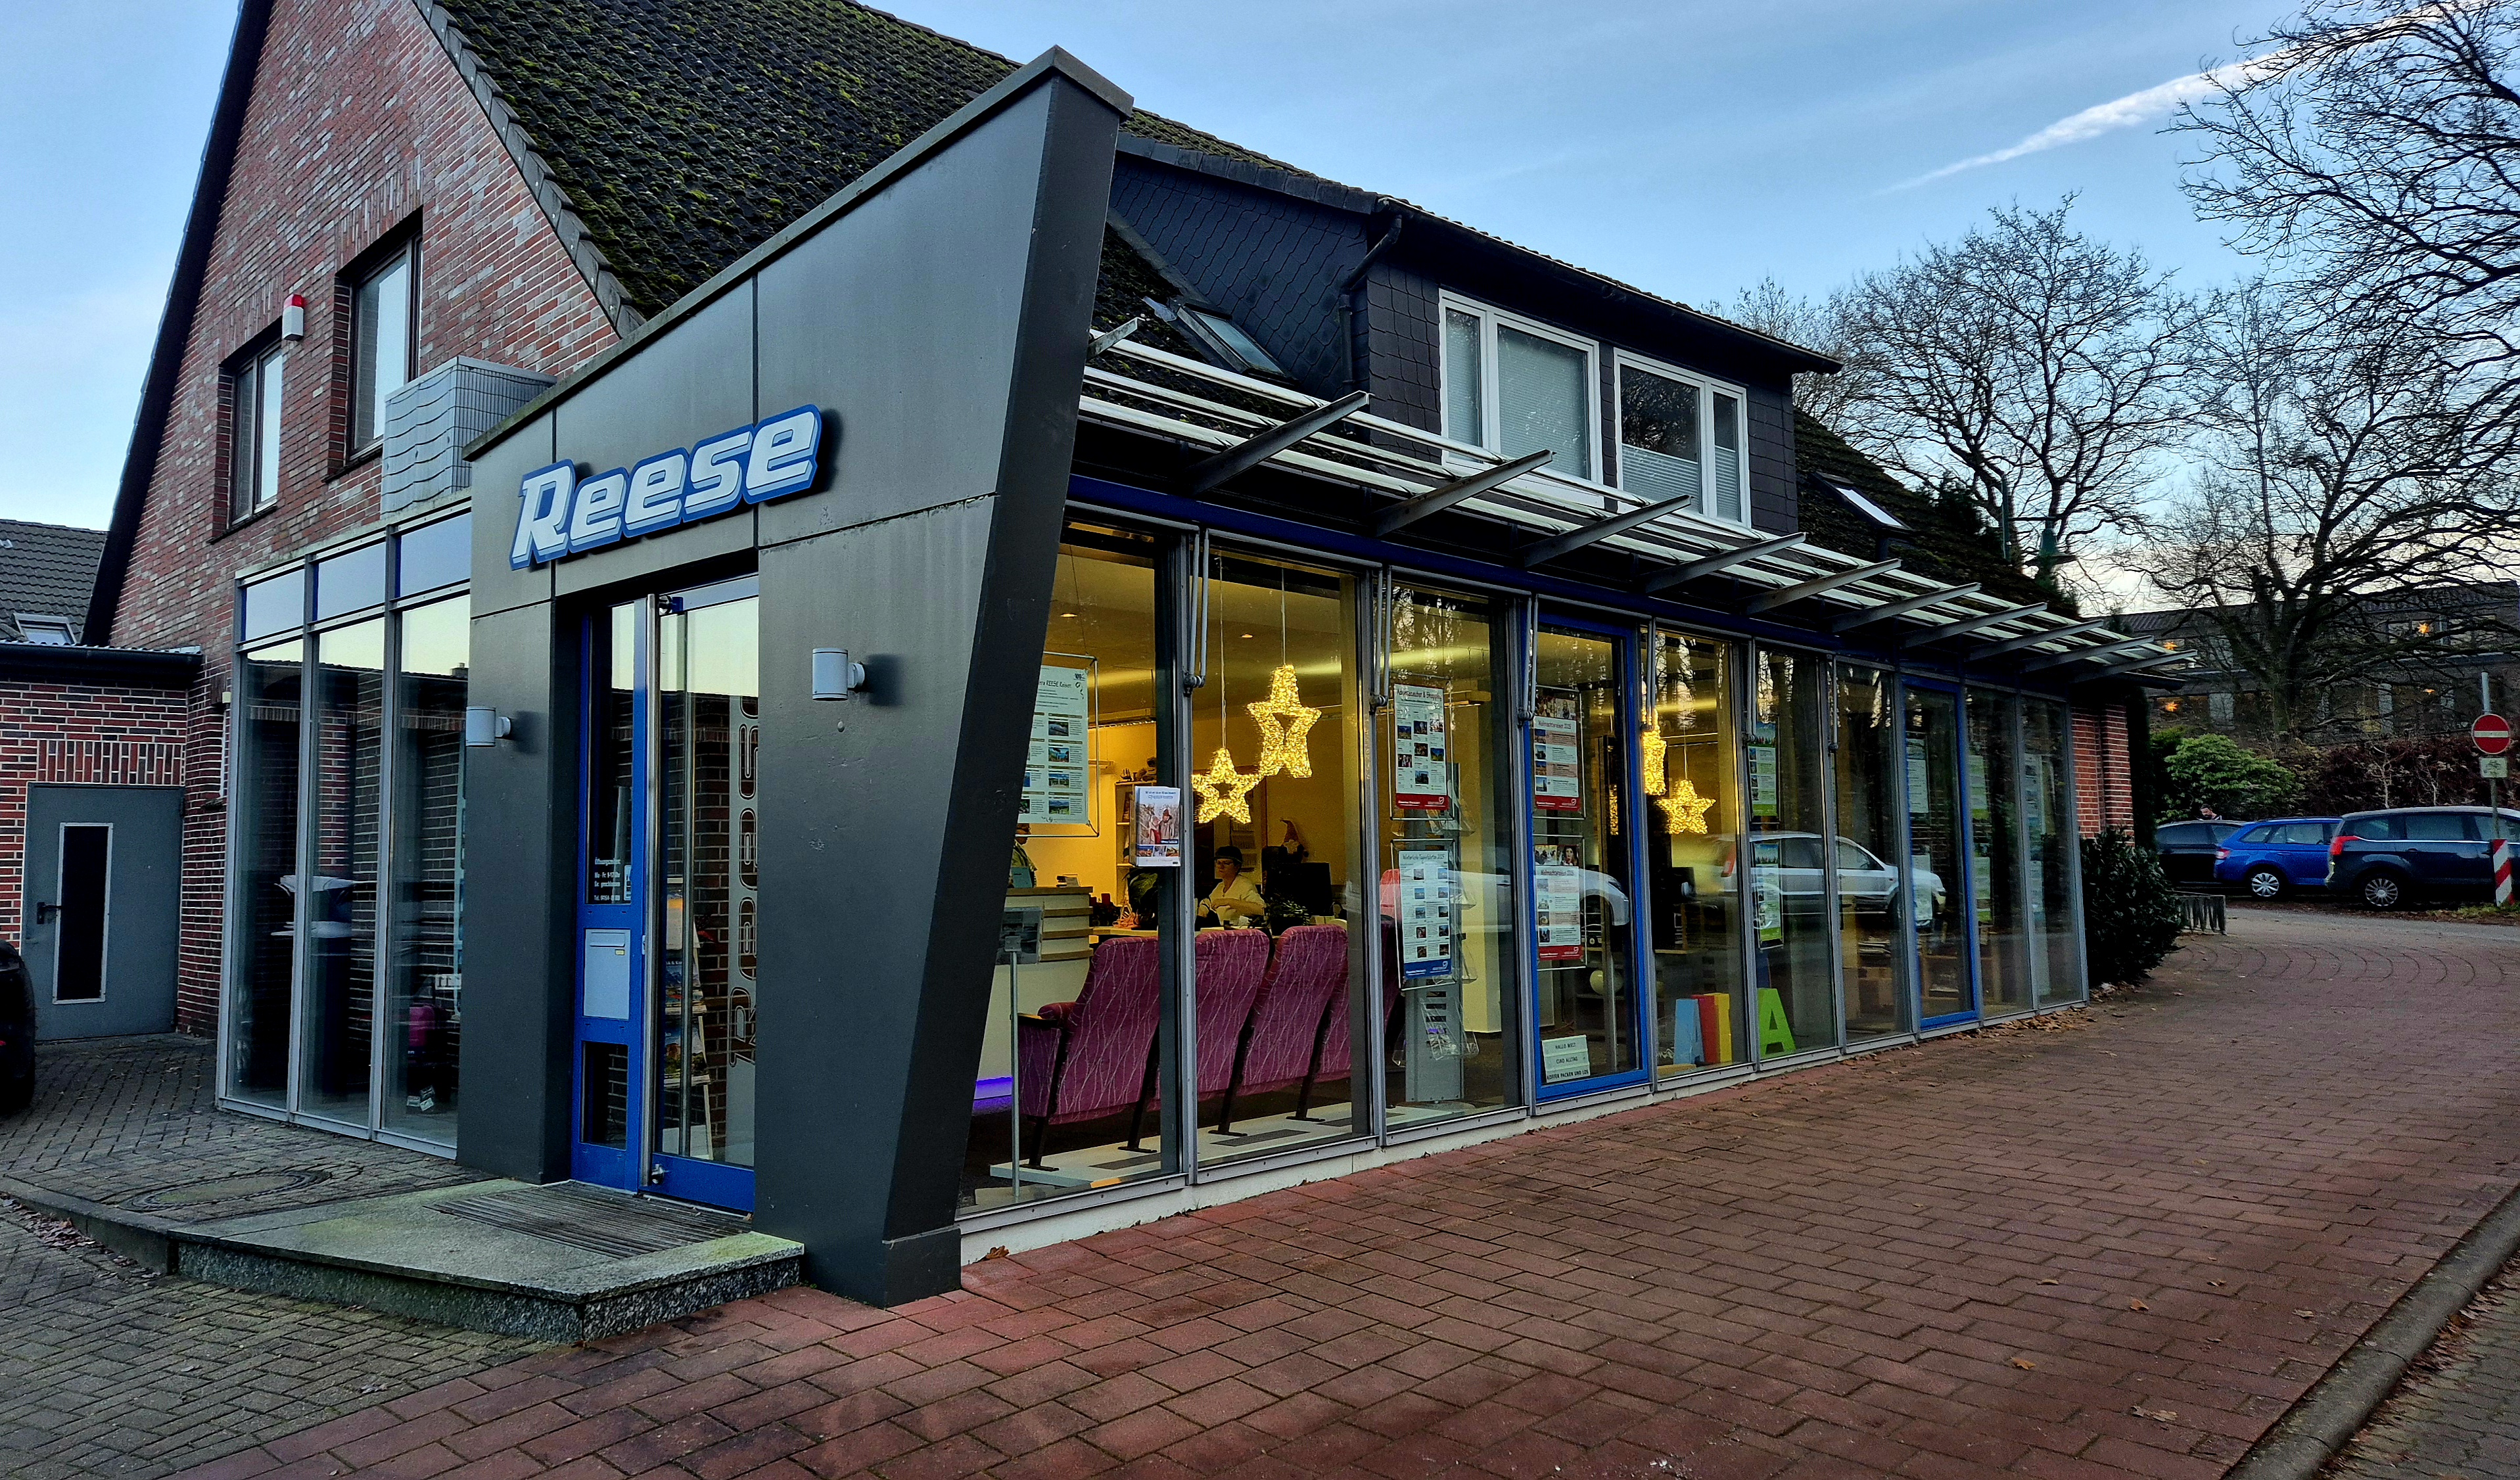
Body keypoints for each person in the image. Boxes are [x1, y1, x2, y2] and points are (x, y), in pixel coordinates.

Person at [1199, 845, 1265, 926]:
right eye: (1218, 863)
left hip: (1240, 931)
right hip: (1223, 930)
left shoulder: (1244, 885)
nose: (1221, 867)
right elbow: (1209, 902)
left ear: (1237, 867)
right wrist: (1204, 908)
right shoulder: (1220, 886)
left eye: (1226, 863)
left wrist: (1230, 902)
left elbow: (1261, 909)